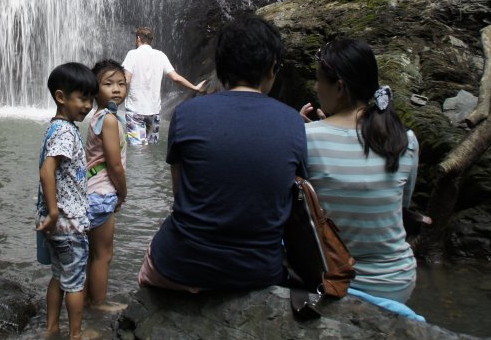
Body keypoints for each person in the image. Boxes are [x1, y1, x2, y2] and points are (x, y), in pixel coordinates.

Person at [138, 15, 307, 291]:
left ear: (220, 66)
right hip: (259, 271)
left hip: (181, 265)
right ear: (272, 68)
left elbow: (180, 195)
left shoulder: (186, 114)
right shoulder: (294, 123)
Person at [301, 38, 420, 304]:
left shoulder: (306, 138)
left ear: (339, 87)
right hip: (397, 280)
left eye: (319, 79)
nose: (316, 87)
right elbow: (402, 206)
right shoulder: (405, 139)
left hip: (334, 279)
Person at [35, 62, 97, 340]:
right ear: (61, 97)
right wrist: (53, 210)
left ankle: (51, 328)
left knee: (59, 277)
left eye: (91, 99)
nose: (87, 106)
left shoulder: (56, 127)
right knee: (75, 283)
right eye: (82, 98)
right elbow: (47, 168)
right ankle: (75, 334)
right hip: (67, 222)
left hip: (57, 221)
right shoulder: (65, 132)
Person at [83, 59, 128, 311]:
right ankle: (99, 303)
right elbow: (115, 165)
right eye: (108, 83)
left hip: (92, 192)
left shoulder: (98, 117)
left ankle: (90, 299)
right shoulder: (109, 120)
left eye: (121, 83)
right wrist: (123, 191)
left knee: (94, 254)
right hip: (102, 193)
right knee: (104, 254)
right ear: (94, 89)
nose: (116, 89)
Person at [121, 25, 206, 145]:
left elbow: (126, 80)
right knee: (150, 146)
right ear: (151, 40)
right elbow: (176, 78)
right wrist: (195, 87)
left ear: (139, 38)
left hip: (135, 110)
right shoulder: (160, 55)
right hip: (154, 110)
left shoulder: (132, 54)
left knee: (137, 147)